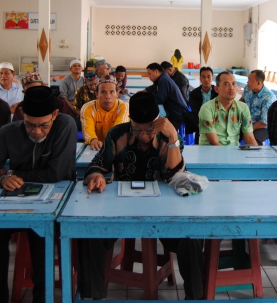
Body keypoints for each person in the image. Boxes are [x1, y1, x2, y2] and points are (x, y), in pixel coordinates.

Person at [78, 92, 204, 300]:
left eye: (149, 130)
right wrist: (97, 175)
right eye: (137, 129)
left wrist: (173, 139)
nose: (143, 135)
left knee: (192, 235)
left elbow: (175, 175)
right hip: (121, 210)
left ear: (158, 122)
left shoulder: (168, 135)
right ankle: (94, 296)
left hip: (165, 211)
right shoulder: (117, 134)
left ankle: (195, 297)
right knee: (88, 232)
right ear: (130, 121)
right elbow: (98, 164)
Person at [0, 86, 77, 303]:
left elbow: (56, 174)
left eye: (43, 125)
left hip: (58, 203)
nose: (36, 132)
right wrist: (0, 180)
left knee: (41, 230)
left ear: (55, 115)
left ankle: (42, 293)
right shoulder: (9, 132)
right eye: (29, 124)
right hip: (19, 201)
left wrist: (12, 173)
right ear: (22, 115)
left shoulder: (65, 125)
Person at [199, 71, 256, 146]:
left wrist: (257, 152)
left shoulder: (243, 108)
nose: (231, 87)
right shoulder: (207, 108)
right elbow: (214, 143)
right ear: (217, 89)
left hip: (233, 151)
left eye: (233, 83)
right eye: (226, 84)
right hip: (212, 151)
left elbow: (249, 138)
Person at [80, 75, 129, 150]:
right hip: (96, 148)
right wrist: (93, 140)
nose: (108, 96)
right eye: (103, 92)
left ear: (117, 94)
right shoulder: (87, 108)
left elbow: (119, 129)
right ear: (97, 94)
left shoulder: (124, 107)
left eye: (112, 92)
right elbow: (87, 129)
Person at [145, 62, 188, 129]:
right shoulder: (162, 78)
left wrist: (146, 101)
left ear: (156, 71)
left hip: (177, 113)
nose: (149, 77)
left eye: (149, 74)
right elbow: (154, 92)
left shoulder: (163, 80)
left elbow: (159, 99)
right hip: (174, 111)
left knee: (153, 123)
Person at [240, 70, 277, 144]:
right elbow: (242, 100)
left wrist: (248, 129)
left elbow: (264, 122)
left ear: (258, 83)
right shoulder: (248, 89)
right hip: (247, 122)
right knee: (230, 132)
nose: (247, 82)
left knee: (253, 139)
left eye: (250, 80)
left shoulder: (268, 98)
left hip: (262, 127)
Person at [185, 66, 218, 134]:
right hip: (200, 123)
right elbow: (196, 112)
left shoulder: (218, 92)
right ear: (200, 79)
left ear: (212, 78)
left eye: (208, 77)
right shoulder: (193, 94)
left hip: (216, 122)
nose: (206, 79)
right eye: (203, 77)